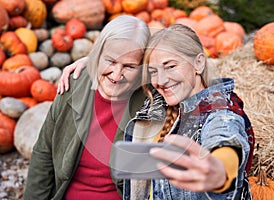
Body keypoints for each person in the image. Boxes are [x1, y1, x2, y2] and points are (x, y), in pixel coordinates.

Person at [58, 24, 255, 200]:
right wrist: (95, 62)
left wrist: (220, 171)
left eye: (170, 66)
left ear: (198, 63)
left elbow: (225, 139)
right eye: (153, 71)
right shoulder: (160, 99)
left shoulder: (221, 112)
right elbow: (125, 67)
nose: (160, 80)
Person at [23, 15, 150, 200]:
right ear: (98, 54)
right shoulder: (73, 84)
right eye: (111, 61)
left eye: (129, 66)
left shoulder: (150, 99)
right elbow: (44, 153)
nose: (117, 74)